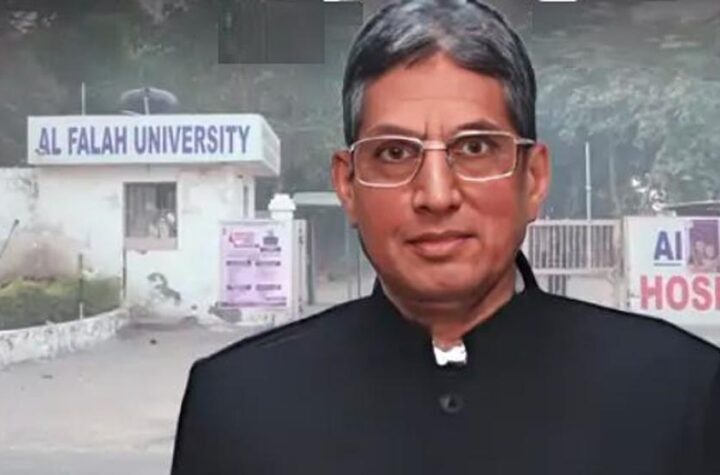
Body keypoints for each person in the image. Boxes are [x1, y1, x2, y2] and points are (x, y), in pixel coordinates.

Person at [171, 1, 720, 473]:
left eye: (475, 148)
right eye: (394, 153)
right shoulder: (238, 404)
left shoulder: (680, 393)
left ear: (533, 179)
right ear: (348, 185)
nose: (436, 195)